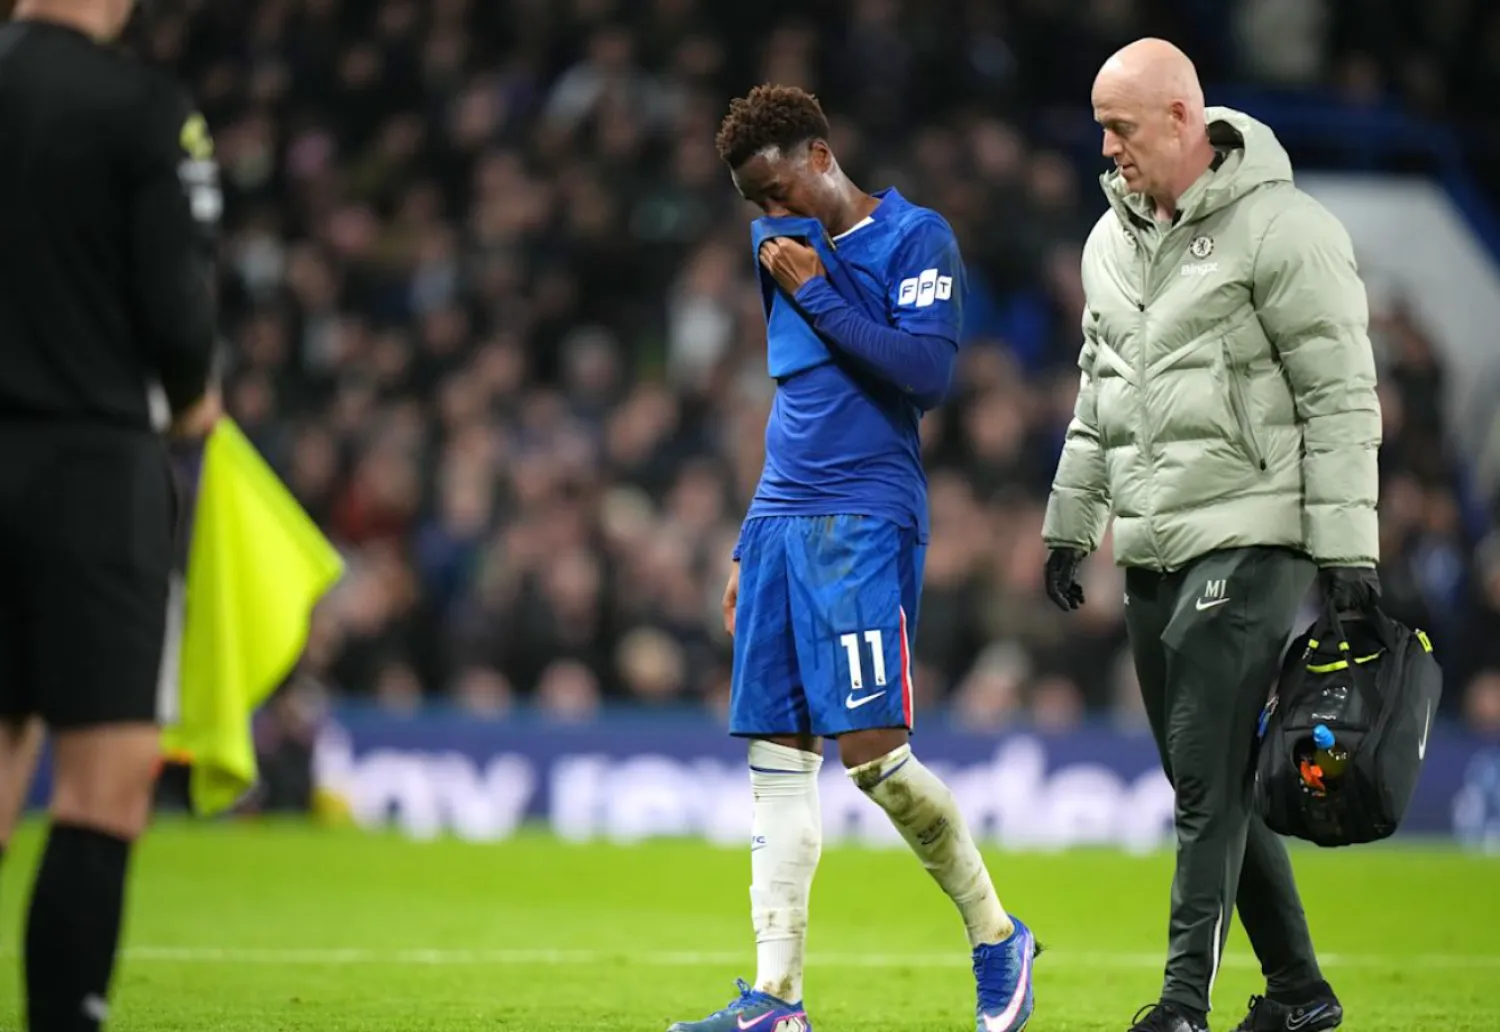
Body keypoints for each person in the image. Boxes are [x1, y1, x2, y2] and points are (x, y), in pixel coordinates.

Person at [667, 84, 1039, 1032]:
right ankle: (776, 999)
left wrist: (821, 293)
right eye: (753, 202)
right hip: (785, 524)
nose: (767, 216)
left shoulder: (917, 240)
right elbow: (796, 412)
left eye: (777, 189)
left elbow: (924, 373)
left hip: (867, 520)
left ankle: (998, 938)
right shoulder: (779, 253)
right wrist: (749, 543)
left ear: (821, 156)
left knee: (875, 760)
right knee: (777, 758)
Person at [1041, 38, 1379, 1032]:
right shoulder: (1108, 242)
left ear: (1184, 116)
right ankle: (1301, 997)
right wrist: (1073, 523)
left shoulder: (1287, 229)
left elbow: (1340, 395)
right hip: (1152, 544)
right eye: (1101, 128)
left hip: (1255, 534)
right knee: (1212, 774)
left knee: (1203, 769)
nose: (1107, 148)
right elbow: (1098, 394)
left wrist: (1347, 548)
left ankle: (1182, 1003)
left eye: (1122, 128)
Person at [0, 0, 222, 1028]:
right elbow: (177, 308)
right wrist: (193, 399)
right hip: (89, 464)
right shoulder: (143, 109)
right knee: (103, 776)